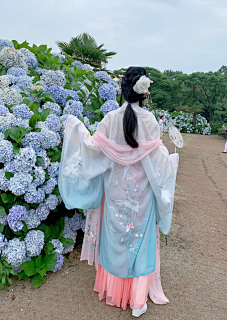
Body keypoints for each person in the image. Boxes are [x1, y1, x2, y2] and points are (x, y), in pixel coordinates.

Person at [59, 67, 179, 317]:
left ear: (124, 89)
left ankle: (112, 291)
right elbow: (157, 161)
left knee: (115, 239)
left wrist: (76, 128)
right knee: (140, 241)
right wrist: (173, 160)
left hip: (115, 192)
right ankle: (137, 301)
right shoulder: (150, 120)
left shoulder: (111, 118)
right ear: (145, 92)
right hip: (141, 195)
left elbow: (92, 150)